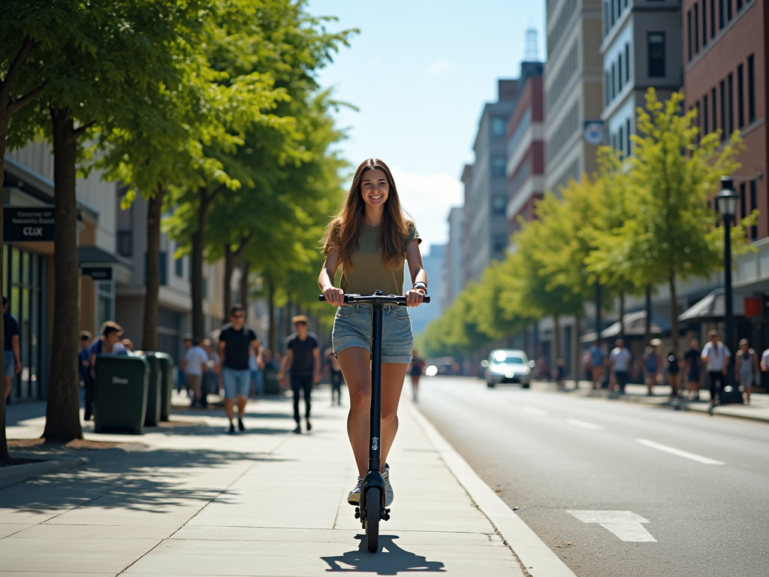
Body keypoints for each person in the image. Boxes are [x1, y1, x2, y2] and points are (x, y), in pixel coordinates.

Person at [318, 158, 427, 509]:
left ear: (389, 188)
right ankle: (365, 476)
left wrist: (419, 289)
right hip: (351, 316)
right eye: (368, 184)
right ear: (359, 189)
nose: (375, 189)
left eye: (381, 183)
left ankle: (380, 471)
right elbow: (326, 272)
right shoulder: (342, 228)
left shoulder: (403, 228)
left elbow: (418, 269)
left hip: (395, 317)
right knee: (362, 397)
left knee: (387, 414)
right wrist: (330, 289)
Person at [217, 304, 261, 434]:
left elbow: (256, 346)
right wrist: (221, 358)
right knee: (229, 397)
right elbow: (219, 347)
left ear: (244, 317)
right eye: (236, 316)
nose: (238, 319)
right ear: (231, 317)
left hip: (244, 369)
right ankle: (230, 423)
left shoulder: (249, 332)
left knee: (242, 398)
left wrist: (259, 358)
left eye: (241, 316)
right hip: (228, 368)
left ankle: (240, 418)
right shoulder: (225, 332)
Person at [278, 315, 321, 433]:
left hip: (308, 374)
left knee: (307, 399)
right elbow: (288, 358)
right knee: (296, 398)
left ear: (306, 326)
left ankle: (307, 418)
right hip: (295, 373)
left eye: (301, 325)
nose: (298, 327)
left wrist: (316, 373)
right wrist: (282, 373)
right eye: (296, 325)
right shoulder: (291, 341)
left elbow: (316, 358)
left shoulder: (312, 340)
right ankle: (297, 423)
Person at [89, 322, 129, 398]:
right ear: (109, 335)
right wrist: (93, 370)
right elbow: (93, 358)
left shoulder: (119, 347)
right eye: (115, 335)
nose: (117, 337)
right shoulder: (98, 344)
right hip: (98, 377)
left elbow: (127, 356)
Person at [701, 330, 730, 409]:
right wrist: (706, 359)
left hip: (720, 368)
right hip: (712, 368)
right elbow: (704, 356)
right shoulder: (708, 346)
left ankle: (721, 398)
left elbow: (727, 356)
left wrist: (725, 366)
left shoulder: (722, 346)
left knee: (722, 384)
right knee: (712, 385)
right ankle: (713, 399)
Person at [181, 338, 208, 408]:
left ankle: (194, 401)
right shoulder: (201, 351)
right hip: (198, 372)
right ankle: (197, 402)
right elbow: (203, 363)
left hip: (189, 371)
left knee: (192, 388)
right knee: (197, 388)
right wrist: (204, 370)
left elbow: (185, 361)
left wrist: (182, 368)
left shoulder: (190, 350)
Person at [2, 297, 20, 401]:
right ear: (6, 305)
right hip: (7, 353)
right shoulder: (11, 320)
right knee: (7, 382)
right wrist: (18, 360)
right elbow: (15, 341)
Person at [735, 338, 760, 405]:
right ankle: (744, 398)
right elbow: (737, 365)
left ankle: (748, 398)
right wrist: (736, 373)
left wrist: (757, 373)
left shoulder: (752, 353)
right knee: (743, 387)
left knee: (749, 386)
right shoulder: (739, 354)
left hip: (749, 372)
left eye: (745, 345)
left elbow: (755, 364)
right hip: (742, 372)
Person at [78, 331, 93, 417]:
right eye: (82, 341)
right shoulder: (82, 353)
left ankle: (89, 412)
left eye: (86, 341)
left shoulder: (90, 351)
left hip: (89, 376)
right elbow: (85, 363)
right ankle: (88, 413)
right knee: (87, 395)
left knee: (89, 395)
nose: (84, 343)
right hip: (85, 377)